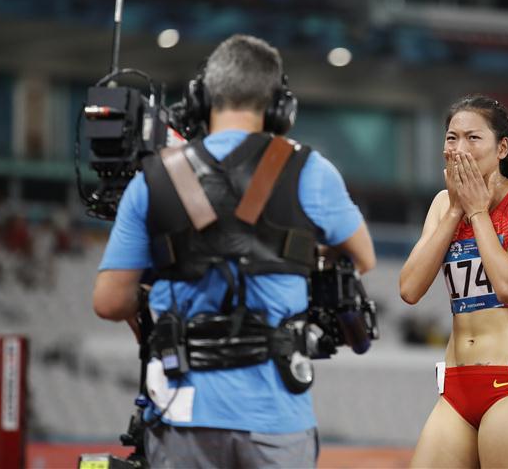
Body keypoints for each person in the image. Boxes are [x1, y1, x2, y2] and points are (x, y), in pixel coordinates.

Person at [93, 34, 375, 469]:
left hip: (181, 415)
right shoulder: (310, 170)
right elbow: (362, 257)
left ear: (201, 96)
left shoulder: (153, 179)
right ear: (281, 106)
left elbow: (109, 301)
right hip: (276, 417)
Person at [400, 95, 508, 468]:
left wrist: (476, 210)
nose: (459, 149)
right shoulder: (442, 204)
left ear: (501, 147)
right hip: (455, 387)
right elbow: (409, 289)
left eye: (473, 138)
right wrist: (456, 210)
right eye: (452, 138)